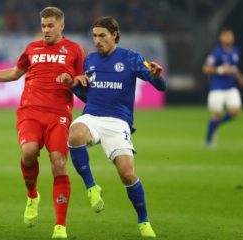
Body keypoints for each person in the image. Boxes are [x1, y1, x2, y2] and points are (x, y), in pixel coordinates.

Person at [0, 6, 84, 239]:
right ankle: (32, 196)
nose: (46, 30)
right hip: (30, 111)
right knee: (28, 152)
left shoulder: (75, 49)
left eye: (51, 26)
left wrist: (73, 81)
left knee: (58, 162)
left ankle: (60, 226)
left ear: (61, 26)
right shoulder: (32, 48)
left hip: (59, 113)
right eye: (43, 26)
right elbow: (14, 73)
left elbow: (83, 80)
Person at [56, 16, 166, 238]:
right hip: (93, 116)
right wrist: (72, 85)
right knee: (74, 134)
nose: (97, 40)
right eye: (94, 36)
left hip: (118, 123)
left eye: (102, 35)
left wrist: (157, 77)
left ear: (114, 34)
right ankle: (91, 187)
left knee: (127, 175)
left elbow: (159, 86)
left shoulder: (131, 58)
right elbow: (88, 96)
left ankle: (143, 221)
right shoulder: (90, 61)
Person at [202, 27, 243, 147]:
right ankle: (208, 141)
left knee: (235, 112)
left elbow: (234, 68)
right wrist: (221, 70)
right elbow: (205, 68)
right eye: (226, 36)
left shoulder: (235, 51)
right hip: (217, 88)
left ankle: (216, 125)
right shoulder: (216, 52)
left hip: (231, 87)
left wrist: (239, 77)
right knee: (216, 115)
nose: (228, 38)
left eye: (230, 36)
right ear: (221, 38)